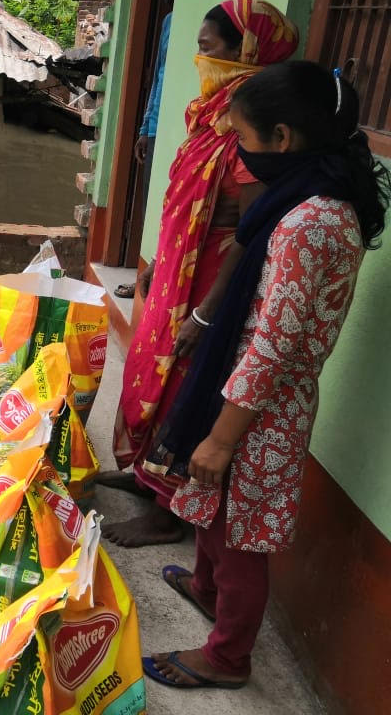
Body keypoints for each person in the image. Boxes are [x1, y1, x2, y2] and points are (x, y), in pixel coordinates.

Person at [143, 60, 390, 690]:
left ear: (283, 139)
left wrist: (223, 436)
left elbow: (274, 347)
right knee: (214, 506)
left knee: (239, 531)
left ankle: (228, 656)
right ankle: (205, 587)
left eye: (248, 143)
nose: (242, 160)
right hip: (246, 388)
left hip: (264, 407)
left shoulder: (312, 220)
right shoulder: (303, 194)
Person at [100, 0, 298, 547]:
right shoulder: (211, 114)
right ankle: (144, 475)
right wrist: (162, 258)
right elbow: (187, 200)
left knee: (183, 380)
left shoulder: (247, 123)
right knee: (152, 372)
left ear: (246, 52)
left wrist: (208, 314)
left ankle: (168, 513)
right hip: (179, 267)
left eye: (209, 48)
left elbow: (249, 227)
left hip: (210, 276)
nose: (200, 58)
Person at [116, 0, 179, 299]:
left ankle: (163, 281)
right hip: (159, 128)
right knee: (153, 205)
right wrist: (145, 127)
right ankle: (147, 275)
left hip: (185, 129)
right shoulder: (169, 23)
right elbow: (159, 76)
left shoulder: (207, 25)